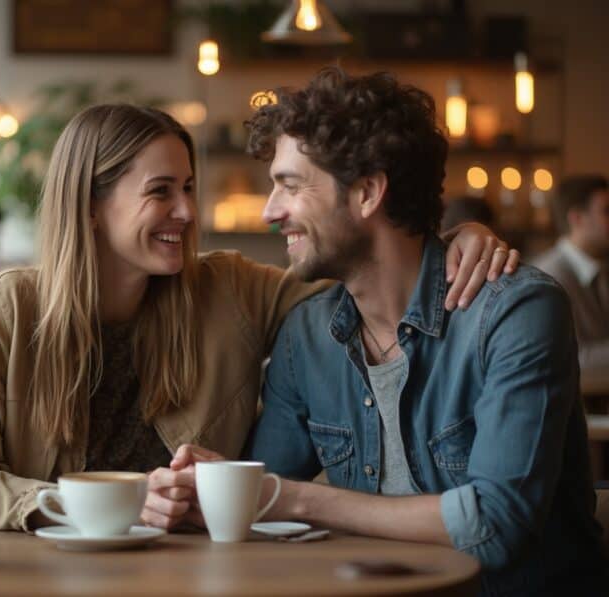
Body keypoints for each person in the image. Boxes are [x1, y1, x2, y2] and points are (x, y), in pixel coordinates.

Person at [0, 104, 515, 533]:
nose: (185, 211)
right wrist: (92, 505)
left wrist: (448, 239)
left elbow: (363, 274)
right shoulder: (8, 310)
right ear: (90, 207)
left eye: (187, 187)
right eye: (161, 192)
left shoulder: (228, 287)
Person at [167, 69, 606, 595]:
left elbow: (496, 525)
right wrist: (203, 494)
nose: (269, 212)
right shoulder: (306, 334)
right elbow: (259, 503)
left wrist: (292, 498)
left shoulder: (515, 313)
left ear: (368, 192)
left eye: (289, 185)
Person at [534, 175, 609, 373]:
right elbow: (568, 357)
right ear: (576, 218)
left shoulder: (601, 267)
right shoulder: (548, 277)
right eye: (606, 212)